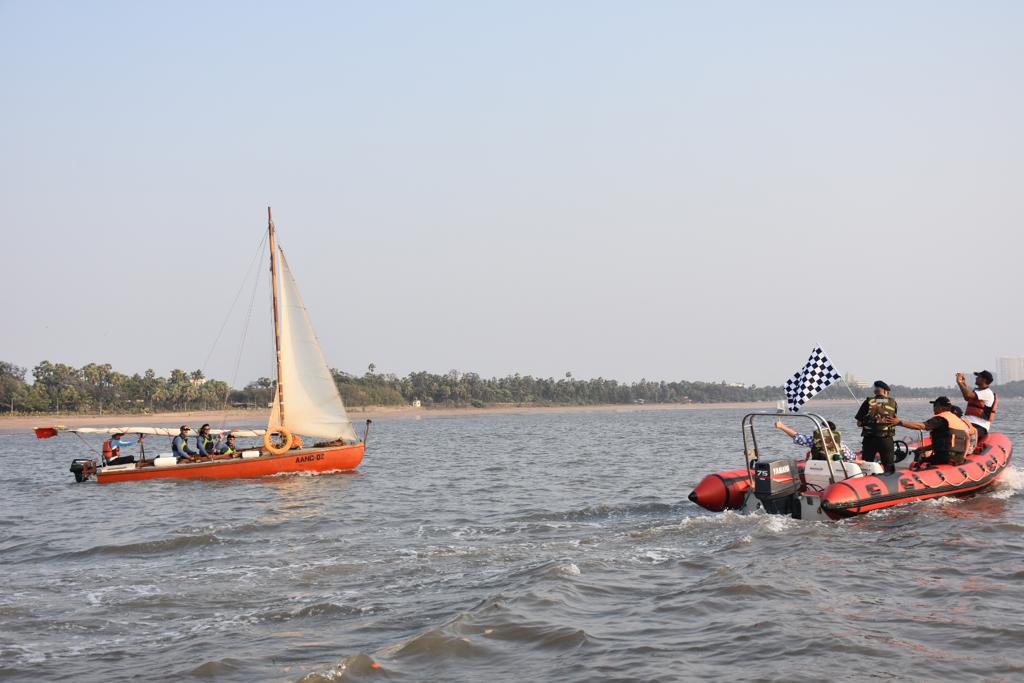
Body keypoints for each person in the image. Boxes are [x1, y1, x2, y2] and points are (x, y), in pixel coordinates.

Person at [890, 396, 971, 467]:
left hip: (945, 457)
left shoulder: (941, 419)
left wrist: (899, 422)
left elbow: (921, 426)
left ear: (939, 407)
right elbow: (948, 441)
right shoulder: (957, 420)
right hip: (958, 458)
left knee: (919, 464)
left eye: (934, 406)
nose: (933, 408)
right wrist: (926, 448)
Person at [854, 380, 898, 474]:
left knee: (867, 465)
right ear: (886, 391)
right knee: (888, 465)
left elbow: (858, 423)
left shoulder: (868, 402)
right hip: (886, 439)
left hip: (870, 440)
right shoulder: (893, 402)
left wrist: (868, 423)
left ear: (875, 391)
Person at [774, 419, 856, 461]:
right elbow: (852, 458)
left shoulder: (814, 441)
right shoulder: (841, 445)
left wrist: (782, 426)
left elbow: (797, 436)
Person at [956, 370, 998, 444]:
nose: (976, 378)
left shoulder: (987, 393)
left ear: (984, 380)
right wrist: (963, 383)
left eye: (978, 377)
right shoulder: (978, 391)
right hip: (968, 423)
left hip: (979, 426)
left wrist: (959, 382)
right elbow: (967, 397)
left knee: (960, 436)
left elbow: (968, 395)